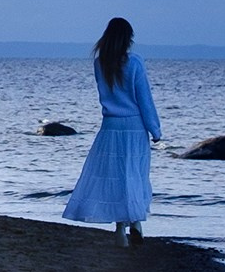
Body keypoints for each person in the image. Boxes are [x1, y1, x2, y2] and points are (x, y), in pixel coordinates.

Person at [63, 15, 162, 243]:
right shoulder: (135, 62)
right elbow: (144, 99)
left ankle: (120, 228)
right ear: (127, 39)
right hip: (134, 126)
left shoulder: (100, 63)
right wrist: (155, 130)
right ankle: (135, 222)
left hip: (110, 126)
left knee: (114, 176)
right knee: (134, 174)